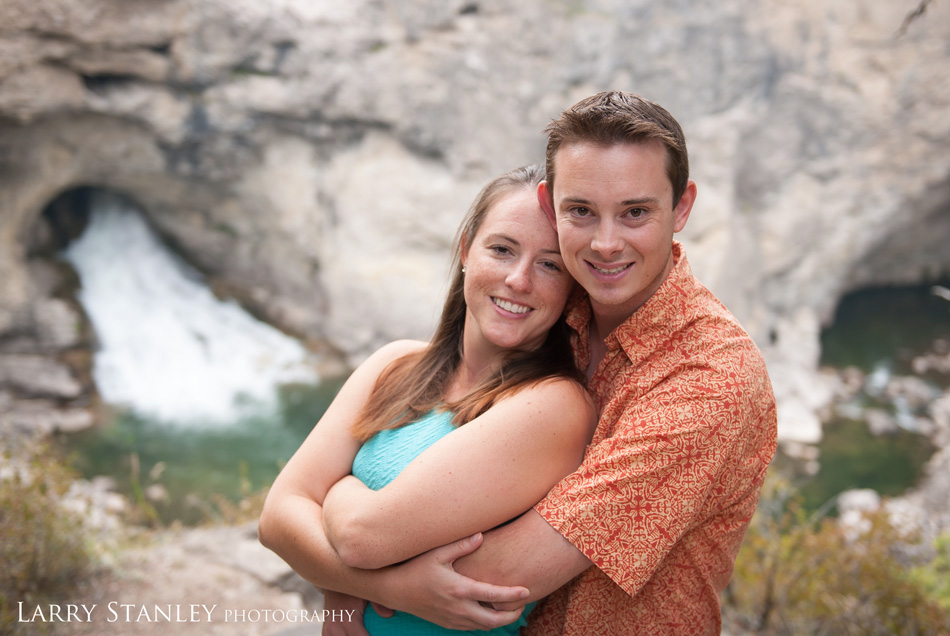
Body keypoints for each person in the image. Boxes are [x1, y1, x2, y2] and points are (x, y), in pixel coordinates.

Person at [263, 91, 778, 636]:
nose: (606, 243)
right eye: (581, 211)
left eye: (635, 212)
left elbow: (494, 582)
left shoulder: (708, 378)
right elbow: (287, 517)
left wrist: (340, 512)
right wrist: (343, 573)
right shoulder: (560, 316)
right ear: (551, 205)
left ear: (682, 207)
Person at [258, 164, 597, 634]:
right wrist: (380, 588)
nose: (519, 280)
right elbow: (276, 517)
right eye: (502, 249)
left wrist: (336, 493)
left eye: (550, 265)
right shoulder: (394, 364)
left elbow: (361, 537)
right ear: (466, 250)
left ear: (572, 286)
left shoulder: (555, 404)